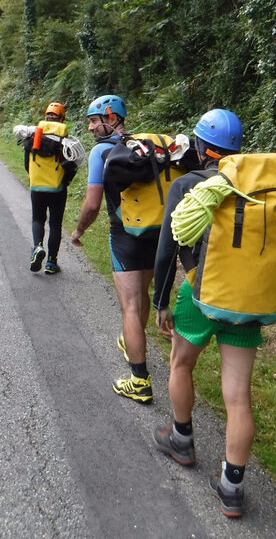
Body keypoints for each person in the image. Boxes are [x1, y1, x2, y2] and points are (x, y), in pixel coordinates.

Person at [150, 108, 256, 517]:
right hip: (246, 301)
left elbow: (167, 249)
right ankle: (232, 486)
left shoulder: (189, 185)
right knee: (238, 395)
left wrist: (160, 302)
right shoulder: (256, 188)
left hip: (200, 294)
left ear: (200, 146)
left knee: (180, 364)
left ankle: (181, 439)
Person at [71, 94, 161, 403]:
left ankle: (139, 381)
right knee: (142, 296)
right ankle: (132, 339)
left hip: (125, 235)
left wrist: (79, 229)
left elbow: (93, 203)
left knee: (130, 306)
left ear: (113, 118)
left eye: (95, 120)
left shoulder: (101, 152)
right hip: (155, 232)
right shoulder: (142, 146)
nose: (91, 127)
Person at [21, 102, 77, 274]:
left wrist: (35, 177)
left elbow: (26, 164)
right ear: (62, 118)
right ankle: (52, 263)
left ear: (46, 116)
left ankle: (38, 247)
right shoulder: (65, 140)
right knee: (55, 224)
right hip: (57, 188)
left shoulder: (33, 136)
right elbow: (71, 166)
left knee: (37, 219)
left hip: (37, 186)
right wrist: (65, 181)